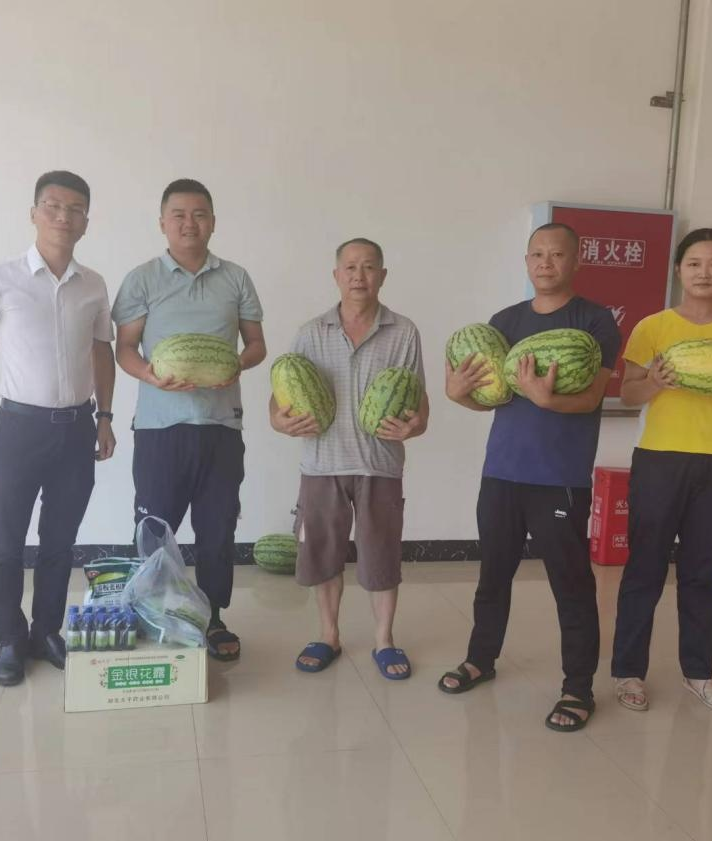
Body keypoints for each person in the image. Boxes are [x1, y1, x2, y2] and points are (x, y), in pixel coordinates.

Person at [440, 223, 620, 732]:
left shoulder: (595, 320)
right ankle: (480, 659)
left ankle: (578, 687)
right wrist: (458, 395)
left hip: (559, 476)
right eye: (537, 254)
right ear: (526, 261)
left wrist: (549, 400)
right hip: (501, 470)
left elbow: (592, 398)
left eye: (556, 254)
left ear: (575, 261)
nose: (545, 262)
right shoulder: (504, 321)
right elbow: (490, 399)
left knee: (571, 583)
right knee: (493, 574)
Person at [0, 170, 116, 687]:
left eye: (75, 209)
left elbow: (103, 352)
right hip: (19, 427)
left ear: (86, 222)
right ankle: (9, 637)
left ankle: (47, 630)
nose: (63, 216)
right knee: (5, 541)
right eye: (53, 206)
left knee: (59, 541)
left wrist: (105, 418)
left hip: (77, 429)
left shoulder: (94, 285)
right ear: (33, 213)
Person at [611, 227, 712, 714]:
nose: (704, 273)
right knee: (644, 569)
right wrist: (654, 382)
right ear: (679, 269)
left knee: (702, 575)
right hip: (660, 460)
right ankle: (629, 672)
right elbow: (628, 394)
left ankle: (698, 673)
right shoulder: (653, 328)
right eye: (695, 263)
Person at [112, 178, 266, 661]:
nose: (189, 223)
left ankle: (213, 617)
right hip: (159, 427)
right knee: (155, 528)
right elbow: (125, 348)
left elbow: (256, 345)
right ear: (162, 222)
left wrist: (237, 365)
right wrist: (150, 376)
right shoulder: (142, 279)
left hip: (222, 425)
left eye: (199, 214)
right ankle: (154, 614)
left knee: (218, 529)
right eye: (178, 214)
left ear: (213, 222)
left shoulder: (236, 278)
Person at [271, 238, 429, 679]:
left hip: (381, 464)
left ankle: (384, 640)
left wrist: (414, 426)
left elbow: (418, 402)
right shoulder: (310, 332)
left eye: (369, 267)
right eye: (351, 267)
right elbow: (279, 399)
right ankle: (328, 636)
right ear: (336, 275)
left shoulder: (404, 331)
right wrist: (279, 421)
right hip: (322, 464)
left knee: (382, 557)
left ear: (383, 275)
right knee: (322, 555)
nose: (359, 276)